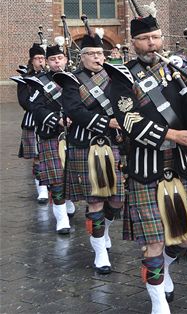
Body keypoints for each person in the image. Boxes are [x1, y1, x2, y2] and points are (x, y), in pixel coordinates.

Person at [106, 10, 187, 313]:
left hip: (180, 165)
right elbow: (129, 120)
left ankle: (164, 270)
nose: (151, 44)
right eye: (144, 39)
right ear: (133, 43)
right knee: (154, 242)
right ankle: (158, 302)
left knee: (185, 240)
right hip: (146, 167)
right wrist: (175, 134)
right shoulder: (122, 76)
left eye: (155, 37)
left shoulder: (179, 68)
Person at [53, 24, 125, 275]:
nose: (97, 58)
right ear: (81, 57)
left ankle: (103, 228)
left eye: (100, 54)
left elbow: (124, 105)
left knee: (116, 200)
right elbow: (74, 110)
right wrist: (107, 122)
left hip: (112, 143)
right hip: (86, 143)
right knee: (94, 200)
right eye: (92, 54)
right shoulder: (71, 80)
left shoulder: (116, 77)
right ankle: (99, 251)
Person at [29, 45, 76, 234]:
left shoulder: (76, 78)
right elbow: (36, 108)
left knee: (72, 175)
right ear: (47, 62)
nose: (57, 62)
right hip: (51, 133)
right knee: (57, 178)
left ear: (65, 59)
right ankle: (62, 218)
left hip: (74, 134)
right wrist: (57, 120)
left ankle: (69, 200)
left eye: (60, 58)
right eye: (53, 59)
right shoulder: (40, 82)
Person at [16, 43, 49, 203]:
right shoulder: (25, 80)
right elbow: (24, 102)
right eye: (37, 58)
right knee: (37, 157)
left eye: (42, 58)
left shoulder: (51, 77)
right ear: (31, 60)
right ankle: (41, 188)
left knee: (52, 155)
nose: (40, 61)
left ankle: (52, 184)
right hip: (32, 122)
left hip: (50, 121)